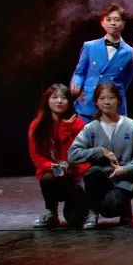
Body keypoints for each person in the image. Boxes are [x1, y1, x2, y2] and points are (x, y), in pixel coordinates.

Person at [68, 82, 133, 229]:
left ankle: (125, 209)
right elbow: (72, 154)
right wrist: (100, 151)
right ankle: (93, 211)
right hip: (98, 181)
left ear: (118, 100)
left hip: (123, 182)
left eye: (111, 98)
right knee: (72, 217)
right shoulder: (90, 128)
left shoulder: (132, 126)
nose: (107, 102)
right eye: (102, 98)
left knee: (110, 207)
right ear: (96, 102)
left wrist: (126, 169)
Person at [28, 85, 88, 228]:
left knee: (75, 220)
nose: (60, 101)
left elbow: (75, 155)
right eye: (55, 97)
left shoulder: (78, 124)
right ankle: (51, 213)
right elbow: (35, 154)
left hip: (75, 175)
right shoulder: (37, 125)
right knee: (47, 178)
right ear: (47, 100)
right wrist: (52, 166)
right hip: (56, 171)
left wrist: (65, 129)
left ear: (69, 102)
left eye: (64, 98)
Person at [70, 3, 133, 120]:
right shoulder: (90, 46)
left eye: (117, 20)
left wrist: (115, 94)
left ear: (123, 23)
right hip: (88, 104)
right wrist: (77, 84)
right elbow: (79, 72)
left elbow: (126, 80)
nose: (113, 23)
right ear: (102, 22)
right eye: (109, 20)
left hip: (114, 107)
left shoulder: (130, 52)